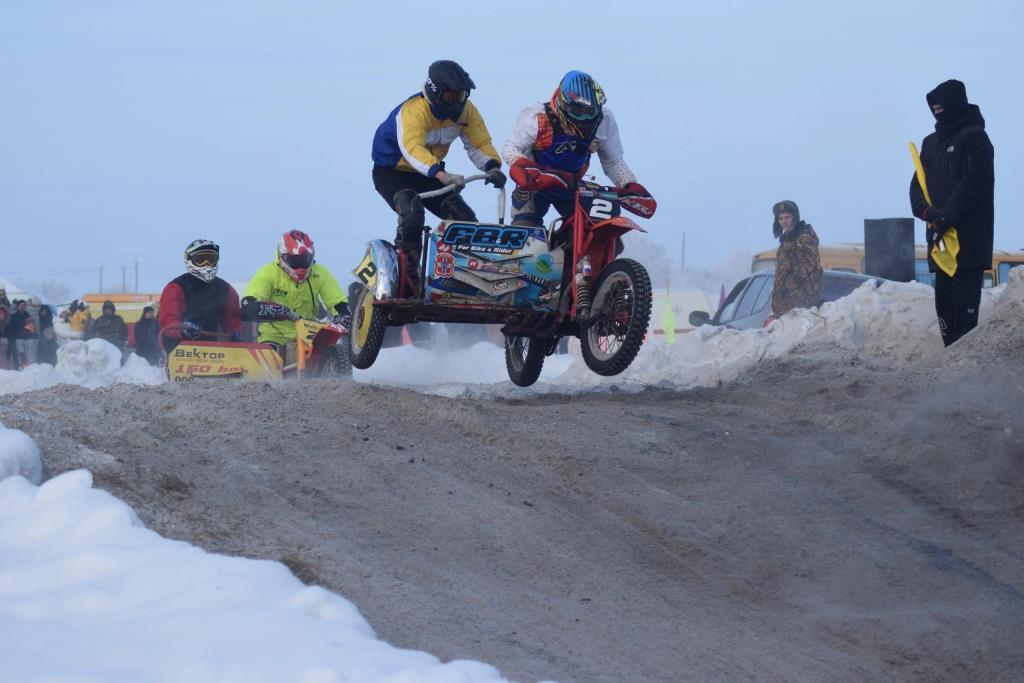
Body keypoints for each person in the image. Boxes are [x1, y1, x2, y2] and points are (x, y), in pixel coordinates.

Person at [371, 60, 506, 285]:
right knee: (411, 210)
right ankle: (408, 274)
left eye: (462, 95)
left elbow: (479, 143)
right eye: (451, 96)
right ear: (435, 92)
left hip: (430, 173)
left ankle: (466, 278)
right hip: (392, 170)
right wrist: (440, 173)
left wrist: (492, 167)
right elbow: (412, 150)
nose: (458, 102)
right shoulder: (414, 111)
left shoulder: (467, 112)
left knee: (463, 219)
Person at [502, 70, 657, 228]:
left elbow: (613, 162)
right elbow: (510, 148)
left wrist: (629, 184)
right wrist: (524, 166)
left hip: (572, 186)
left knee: (597, 233)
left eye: (589, 112)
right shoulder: (538, 117)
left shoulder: (604, 120)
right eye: (578, 112)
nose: (585, 118)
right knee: (525, 230)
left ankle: (566, 247)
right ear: (563, 104)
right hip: (536, 184)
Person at [909, 79, 995, 347]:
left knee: (965, 313)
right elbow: (917, 184)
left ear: (955, 103)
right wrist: (926, 213)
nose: (936, 108)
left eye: (940, 103)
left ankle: (967, 367)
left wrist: (946, 217)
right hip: (940, 243)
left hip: (968, 242)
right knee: (944, 306)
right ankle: (950, 360)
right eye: (932, 104)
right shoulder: (931, 142)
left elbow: (975, 183)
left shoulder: (976, 138)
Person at [241, 230, 349, 357]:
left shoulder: (320, 273)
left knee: (330, 353)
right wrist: (275, 310)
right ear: (282, 256)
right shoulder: (268, 272)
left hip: (309, 334)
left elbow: (339, 303)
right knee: (268, 360)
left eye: (304, 259)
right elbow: (248, 304)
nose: (300, 266)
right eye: (295, 260)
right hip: (274, 336)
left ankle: (339, 375)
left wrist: (342, 316)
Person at [158, 239, 242, 353]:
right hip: (179, 346)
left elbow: (232, 318)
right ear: (189, 260)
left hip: (210, 349)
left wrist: (235, 333)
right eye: (201, 260)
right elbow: (168, 319)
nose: (206, 264)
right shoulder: (176, 288)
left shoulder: (226, 289)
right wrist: (182, 329)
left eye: (211, 259)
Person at [769, 200, 822, 319]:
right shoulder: (787, 240)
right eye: (780, 218)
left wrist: (796, 301)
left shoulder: (804, 238)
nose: (784, 221)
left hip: (799, 306)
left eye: (787, 217)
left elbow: (808, 272)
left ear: (795, 217)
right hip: (785, 307)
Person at [8, 300, 38, 369]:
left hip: (28, 340)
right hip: (18, 340)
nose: (22, 307)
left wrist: (33, 332)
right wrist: (14, 339)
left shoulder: (28, 315)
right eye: (21, 305)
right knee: (21, 358)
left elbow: (33, 328)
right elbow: (11, 328)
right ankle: (21, 373)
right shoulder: (13, 316)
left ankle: (29, 372)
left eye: (24, 305)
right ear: (18, 306)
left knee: (29, 359)